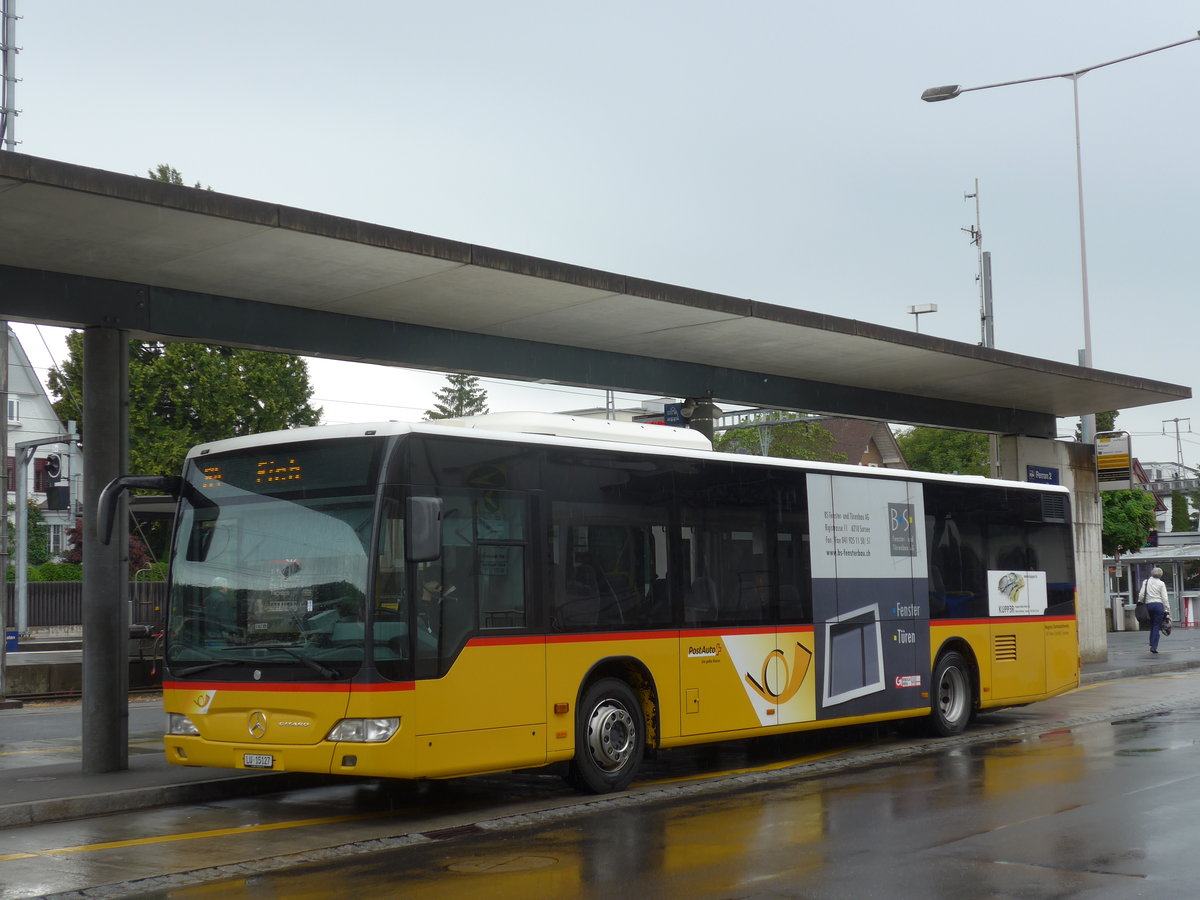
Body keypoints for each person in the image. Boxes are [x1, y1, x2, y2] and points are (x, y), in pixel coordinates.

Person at [1140, 567, 1169, 654]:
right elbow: (1164, 597)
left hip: (1148, 605)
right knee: (1156, 625)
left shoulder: (1146, 582)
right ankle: (1153, 646)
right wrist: (1167, 609)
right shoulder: (1161, 583)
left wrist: (1140, 602)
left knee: (1152, 624)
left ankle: (1151, 641)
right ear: (1161, 574)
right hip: (1158, 605)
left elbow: (1141, 594)